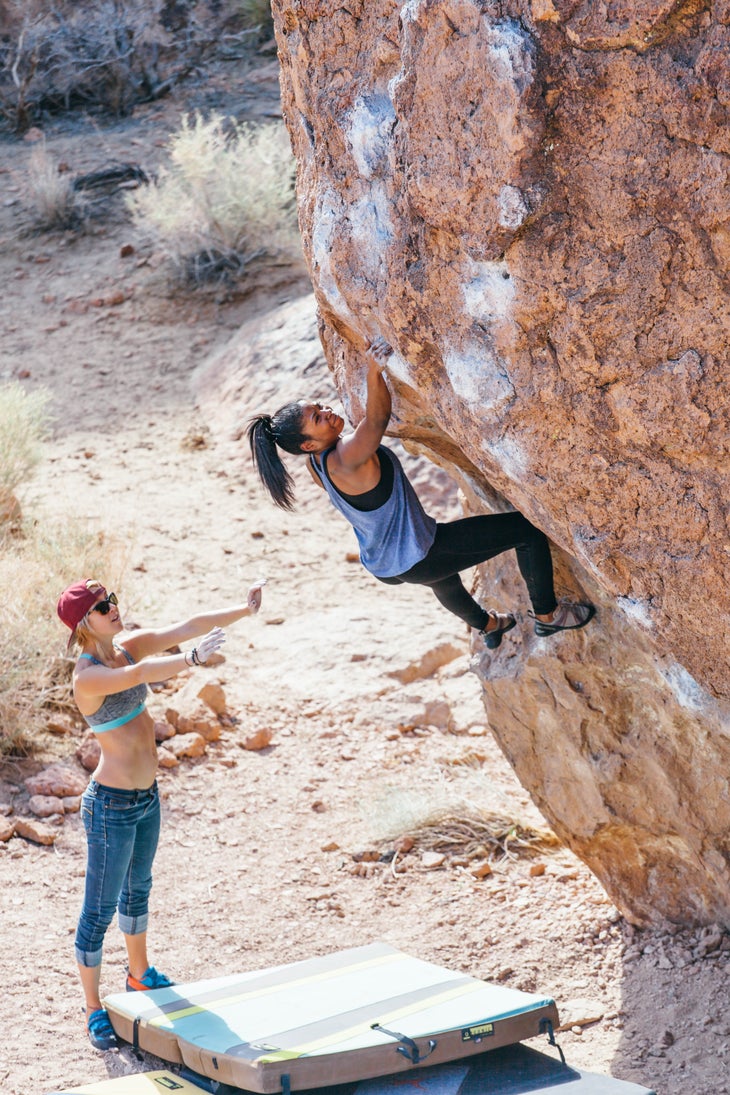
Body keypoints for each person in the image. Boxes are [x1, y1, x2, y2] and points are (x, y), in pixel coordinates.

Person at [246, 338, 593, 646]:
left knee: (442, 578)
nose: (327, 412)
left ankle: (488, 626)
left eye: (320, 406)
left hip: (388, 563)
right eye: (318, 419)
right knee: (527, 531)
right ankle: (548, 618)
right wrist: (373, 371)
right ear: (308, 444)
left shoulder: (316, 466)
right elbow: (377, 421)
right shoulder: (341, 460)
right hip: (417, 555)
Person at [56, 576, 265, 1051]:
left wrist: (242, 609)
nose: (114, 607)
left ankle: (139, 974)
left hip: (146, 797)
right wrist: (190, 660)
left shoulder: (125, 644)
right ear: (84, 625)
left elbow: (185, 625)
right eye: (102, 606)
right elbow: (138, 675)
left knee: (139, 891)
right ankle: (92, 1008)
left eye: (112, 599)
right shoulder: (87, 676)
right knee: (98, 910)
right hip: (110, 806)